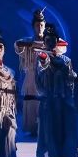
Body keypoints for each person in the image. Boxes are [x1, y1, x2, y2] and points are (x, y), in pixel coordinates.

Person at [35, 23, 78, 157]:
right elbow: (39, 76)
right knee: (49, 132)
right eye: (47, 40)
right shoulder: (41, 59)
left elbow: (70, 81)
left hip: (63, 102)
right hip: (49, 102)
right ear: (44, 42)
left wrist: (68, 90)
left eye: (53, 39)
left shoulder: (66, 60)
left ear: (56, 41)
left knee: (63, 130)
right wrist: (44, 60)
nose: (50, 42)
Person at [14, 8, 47, 136]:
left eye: (42, 25)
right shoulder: (28, 41)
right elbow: (17, 45)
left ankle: (44, 127)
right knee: (31, 102)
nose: (40, 27)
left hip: (45, 76)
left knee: (43, 102)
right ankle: (32, 128)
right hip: (31, 76)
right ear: (33, 27)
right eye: (37, 25)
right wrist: (31, 45)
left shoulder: (48, 42)